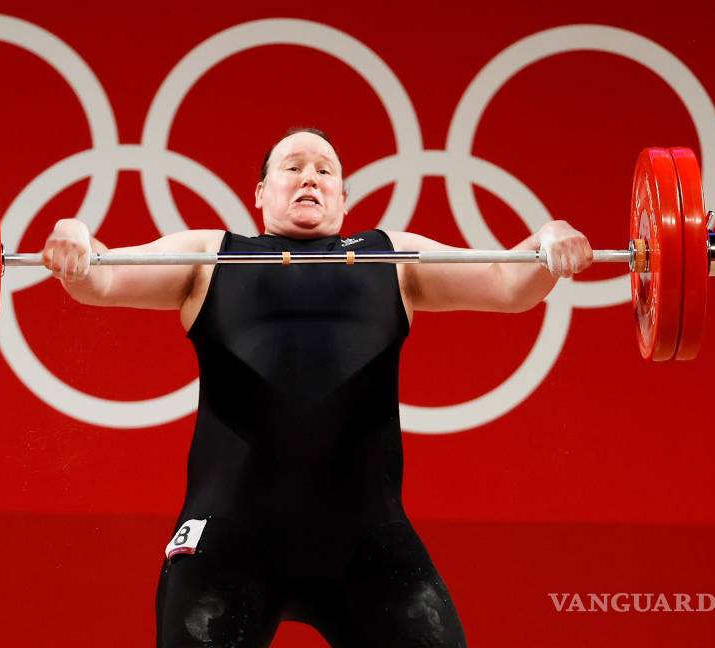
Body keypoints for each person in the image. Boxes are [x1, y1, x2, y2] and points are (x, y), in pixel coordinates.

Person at [42, 128, 592, 647]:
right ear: (261, 192)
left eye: (325, 170)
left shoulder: (392, 257)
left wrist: (548, 241)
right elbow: (103, 276)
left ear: (344, 198)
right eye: (294, 166)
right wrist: (74, 238)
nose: (311, 177)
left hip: (366, 544)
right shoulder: (209, 256)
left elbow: (509, 284)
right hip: (229, 539)